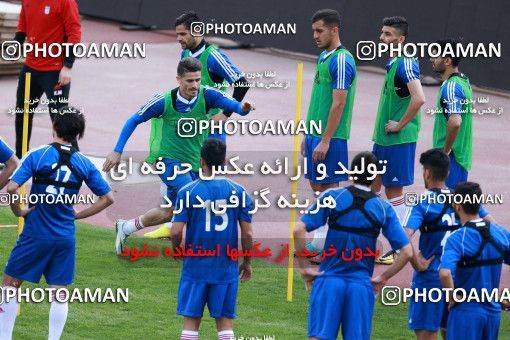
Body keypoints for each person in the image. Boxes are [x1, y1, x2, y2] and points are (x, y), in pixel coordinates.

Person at [102, 57, 254, 255]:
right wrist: (117, 150)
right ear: (178, 79)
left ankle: (126, 227)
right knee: (196, 198)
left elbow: (234, 106)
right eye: (190, 81)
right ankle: (203, 249)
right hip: (168, 161)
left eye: (198, 80)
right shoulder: (163, 101)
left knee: (169, 212)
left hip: (194, 164)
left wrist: (243, 109)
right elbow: (133, 120)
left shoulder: (208, 95)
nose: (195, 85)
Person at [0, 107, 114, 340]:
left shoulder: (38, 155)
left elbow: (11, 187)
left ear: (54, 128)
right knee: (59, 293)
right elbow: (108, 198)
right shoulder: (83, 163)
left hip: (35, 234)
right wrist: (77, 216)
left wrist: (19, 211)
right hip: (64, 237)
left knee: (9, 285)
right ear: (78, 134)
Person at [145, 10, 250, 239]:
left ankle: (208, 232)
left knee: (209, 181)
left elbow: (241, 83)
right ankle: (174, 223)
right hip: (190, 129)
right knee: (178, 174)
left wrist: (224, 115)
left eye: (183, 34)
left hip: (212, 132)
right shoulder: (185, 52)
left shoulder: (214, 56)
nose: (179, 39)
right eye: (177, 34)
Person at [294, 151, 412, 340]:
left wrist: (304, 269)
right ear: (375, 176)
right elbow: (407, 252)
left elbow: (298, 230)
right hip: (360, 286)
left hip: (328, 281)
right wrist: (382, 278)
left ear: (351, 171)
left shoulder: (332, 195)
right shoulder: (383, 208)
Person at [404, 149, 493, 340]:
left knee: (427, 334)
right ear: (448, 172)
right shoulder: (463, 199)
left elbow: (404, 238)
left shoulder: (422, 202)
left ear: (427, 173)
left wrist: (417, 264)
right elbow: (490, 227)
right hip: (461, 279)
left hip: (430, 279)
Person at [170, 139, 253, 340]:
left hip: (195, 267)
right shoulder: (239, 192)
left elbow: (175, 231)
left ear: (201, 161)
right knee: (225, 323)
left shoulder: (187, 192)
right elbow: (248, 234)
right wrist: (247, 263)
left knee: (191, 322)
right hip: (225, 268)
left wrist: (176, 249)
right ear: (224, 162)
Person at [300, 9, 357, 262]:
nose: (315, 35)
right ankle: (320, 241)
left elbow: (338, 103)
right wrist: (308, 134)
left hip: (331, 137)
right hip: (315, 134)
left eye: (319, 30)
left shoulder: (342, 60)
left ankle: (331, 245)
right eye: (313, 30)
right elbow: (318, 101)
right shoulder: (324, 56)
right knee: (317, 188)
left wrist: (325, 139)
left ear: (334, 30)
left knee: (330, 190)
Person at [372, 16, 426, 265]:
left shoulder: (405, 64)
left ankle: (399, 246)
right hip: (384, 139)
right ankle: (371, 242)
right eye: (382, 33)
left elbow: (419, 98)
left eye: (388, 35)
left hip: (397, 140)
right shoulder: (393, 63)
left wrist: (400, 124)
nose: (382, 38)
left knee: (393, 192)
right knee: (373, 187)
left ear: (401, 39)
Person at [439, 182, 510, 340]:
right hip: (493, 313)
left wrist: (451, 297)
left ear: (458, 205)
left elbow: (444, 273)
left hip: (466, 313)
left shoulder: (457, 238)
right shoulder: (499, 232)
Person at [13, 0, 81, 158]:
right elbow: (23, 23)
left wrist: (68, 65)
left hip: (55, 70)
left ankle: (76, 162)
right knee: (22, 113)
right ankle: (19, 158)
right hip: (30, 68)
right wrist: (16, 43)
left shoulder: (65, 2)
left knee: (61, 119)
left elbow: (74, 31)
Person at [430, 38, 473, 189]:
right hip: (460, 158)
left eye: (435, 56)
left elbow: (455, 122)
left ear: (447, 60)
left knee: (446, 207)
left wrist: (445, 152)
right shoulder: (463, 81)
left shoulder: (451, 86)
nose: (431, 59)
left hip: (451, 161)